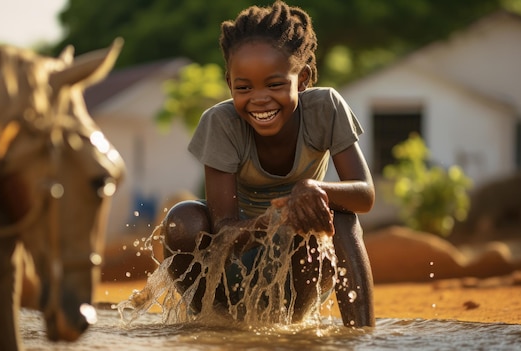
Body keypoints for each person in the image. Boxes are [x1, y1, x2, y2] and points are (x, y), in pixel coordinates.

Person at [161, 0, 375, 328]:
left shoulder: (325, 108)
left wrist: (312, 188)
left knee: (339, 214)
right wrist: (276, 217)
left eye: (275, 84)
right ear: (230, 83)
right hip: (234, 268)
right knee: (182, 220)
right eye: (244, 87)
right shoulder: (221, 123)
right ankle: (209, 322)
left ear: (302, 79)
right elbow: (225, 231)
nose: (259, 98)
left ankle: (362, 332)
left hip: (301, 265)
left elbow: (365, 195)